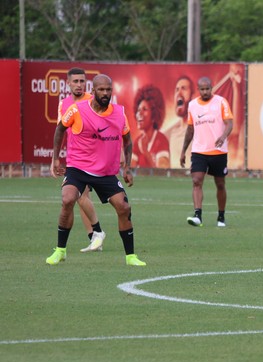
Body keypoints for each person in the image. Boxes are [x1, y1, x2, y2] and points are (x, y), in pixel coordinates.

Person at [46, 74, 146, 266]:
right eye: (101, 89)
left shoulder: (119, 113)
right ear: (93, 91)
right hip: (78, 167)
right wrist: (55, 158)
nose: (105, 93)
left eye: (108, 90)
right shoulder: (76, 110)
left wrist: (127, 168)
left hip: (106, 172)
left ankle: (131, 257)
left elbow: (127, 139)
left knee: (124, 207)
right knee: (68, 199)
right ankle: (60, 251)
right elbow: (60, 129)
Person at [53, 67, 106, 253]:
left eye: (82, 81)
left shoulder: (93, 101)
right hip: (74, 157)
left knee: (80, 196)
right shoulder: (64, 104)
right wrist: (57, 158)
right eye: (75, 81)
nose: (79, 85)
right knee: (80, 197)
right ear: (68, 83)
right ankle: (94, 237)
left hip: (92, 157)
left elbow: (107, 128)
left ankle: (97, 233)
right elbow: (62, 130)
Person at [181, 76, 233, 227]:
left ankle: (221, 216)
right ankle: (198, 215)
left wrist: (223, 136)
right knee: (196, 180)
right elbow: (190, 129)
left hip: (218, 151)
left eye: (207, 89)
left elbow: (230, 123)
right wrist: (183, 150)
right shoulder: (192, 105)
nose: (205, 91)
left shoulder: (221, 102)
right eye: (202, 89)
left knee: (220, 184)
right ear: (198, 89)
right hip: (199, 151)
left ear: (212, 88)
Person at [131, 84, 170, 168]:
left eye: (144, 109)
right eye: (138, 110)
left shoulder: (161, 140)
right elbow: (131, 171)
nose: (139, 114)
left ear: (154, 114)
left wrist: (146, 152)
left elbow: (162, 175)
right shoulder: (137, 142)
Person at [165, 76, 194, 169]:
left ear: (192, 95)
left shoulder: (200, 127)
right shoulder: (169, 134)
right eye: (177, 89)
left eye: (184, 88)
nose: (179, 92)